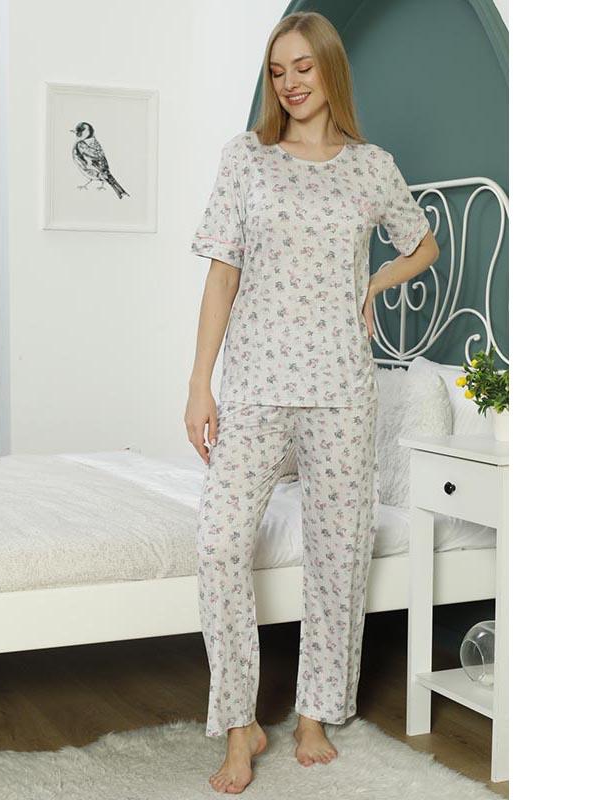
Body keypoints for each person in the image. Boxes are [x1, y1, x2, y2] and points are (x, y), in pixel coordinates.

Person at [184, 10, 440, 794]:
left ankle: (315, 714)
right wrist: (199, 383)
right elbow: (223, 272)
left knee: (338, 553)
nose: (291, 83)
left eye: (303, 66)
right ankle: (239, 723)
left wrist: (378, 279)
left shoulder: (371, 168)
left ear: (331, 68)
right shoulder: (247, 158)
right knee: (219, 543)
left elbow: (423, 242)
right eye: (278, 71)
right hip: (255, 386)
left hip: (341, 389)